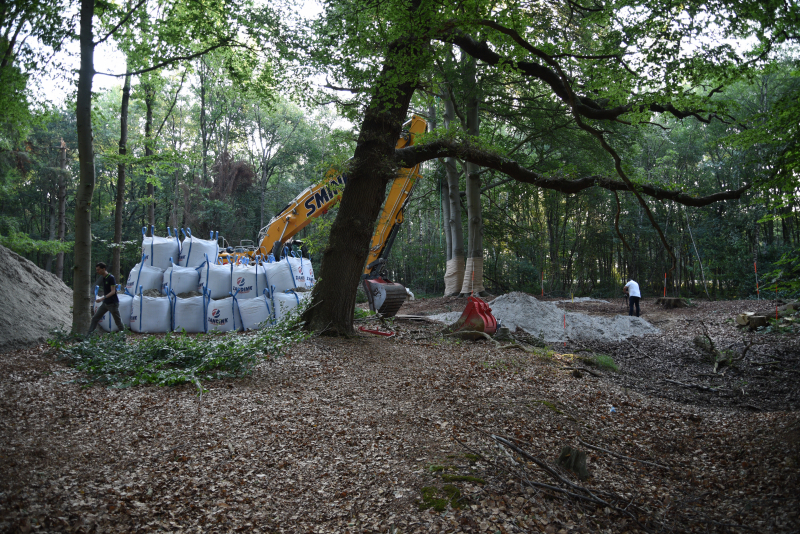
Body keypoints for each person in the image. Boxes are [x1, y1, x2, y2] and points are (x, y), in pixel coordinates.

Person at [88, 262, 125, 335]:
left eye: (98, 270)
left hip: (112, 304)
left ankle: (123, 338)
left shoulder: (111, 278)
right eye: (96, 270)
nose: (97, 271)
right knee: (95, 318)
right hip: (105, 304)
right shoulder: (104, 278)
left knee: (118, 322)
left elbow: (113, 291)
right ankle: (88, 336)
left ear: (103, 269)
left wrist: (102, 298)